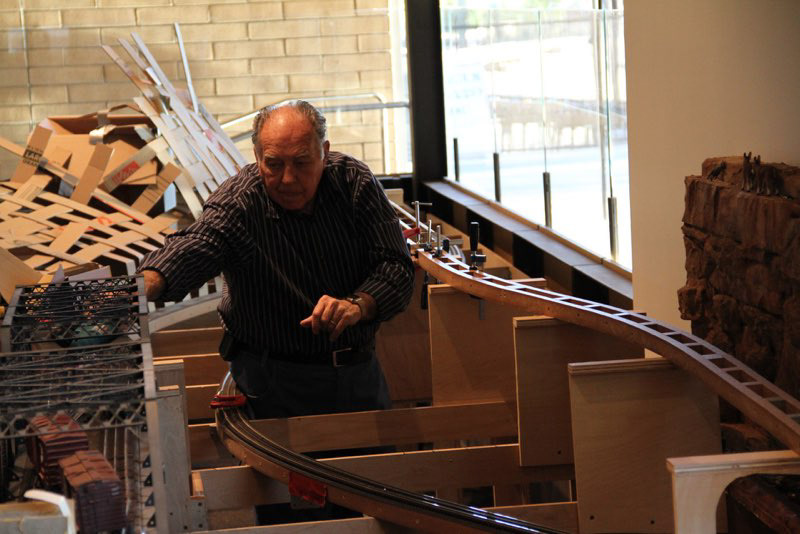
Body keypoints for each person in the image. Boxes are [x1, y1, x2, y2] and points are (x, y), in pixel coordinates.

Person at [138, 100, 414, 420]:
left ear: (324, 152)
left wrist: (358, 304)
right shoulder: (240, 202)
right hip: (270, 381)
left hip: (357, 373)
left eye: (301, 162)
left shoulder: (354, 183)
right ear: (257, 158)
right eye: (274, 164)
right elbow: (199, 243)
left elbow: (396, 266)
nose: (288, 179)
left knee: (369, 453)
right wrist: (145, 284)